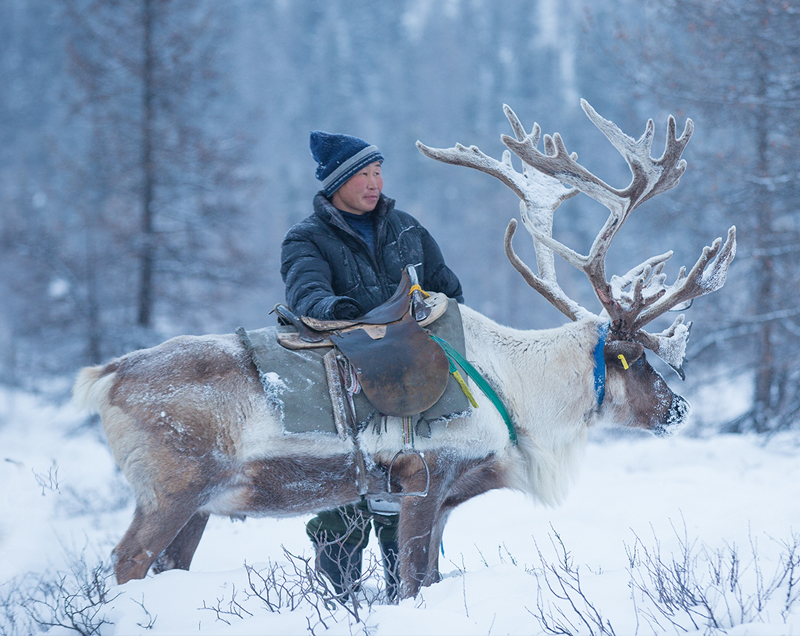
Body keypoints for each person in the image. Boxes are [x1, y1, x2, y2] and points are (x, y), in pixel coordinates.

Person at [280, 131, 464, 600]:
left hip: (418, 373)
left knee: (412, 485)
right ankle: (339, 599)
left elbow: (449, 288)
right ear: (337, 181)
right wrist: (341, 310)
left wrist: (437, 309)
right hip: (344, 376)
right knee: (345, 490)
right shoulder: (306, 237)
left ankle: (410, 594)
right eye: (363, 173)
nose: (374, 182)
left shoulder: (407, 228)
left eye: (378, 171)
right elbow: (305, 295)